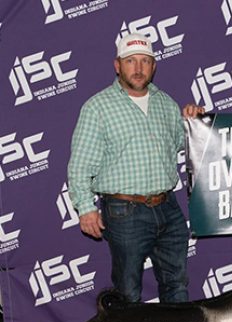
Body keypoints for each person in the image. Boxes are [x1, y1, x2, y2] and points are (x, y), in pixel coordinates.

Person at [68, 33, 203, 303]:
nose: (138, 68)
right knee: (127, 292)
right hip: (124, 211)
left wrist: (193, 122)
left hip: (168, 206)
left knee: (176, 284)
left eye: (145, 61)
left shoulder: (165, 103)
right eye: (131, 61)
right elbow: (80, 165)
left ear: (153, 66)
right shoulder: (98, 107)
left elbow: (181, 145)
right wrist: (85, 208)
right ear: (118, 65)